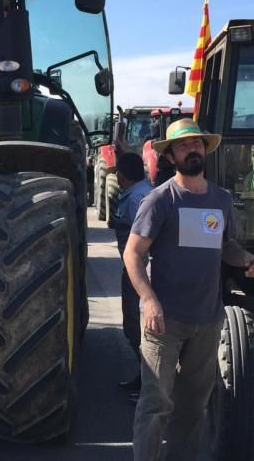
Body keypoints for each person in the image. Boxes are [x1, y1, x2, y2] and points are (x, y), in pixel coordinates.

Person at [124, 118, 254, 461]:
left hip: (207, 320)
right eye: (184, 146)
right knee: (156, 405)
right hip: (164, 322)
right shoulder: (160, 201)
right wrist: (149, 300)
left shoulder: (221, 200)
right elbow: (133, 254)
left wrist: (245, 257)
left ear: (206, 149)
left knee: (194, 408)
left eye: (197, 143)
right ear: (170, 156)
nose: (192, 149)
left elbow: (224, 245)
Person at [107, 152, 153, 397]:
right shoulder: (144, 192)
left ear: (121, 177)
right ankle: (145, 377)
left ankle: (150, 384)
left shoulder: (139, 198)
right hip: (139, 269)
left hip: (140, 272)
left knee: (137, 327)